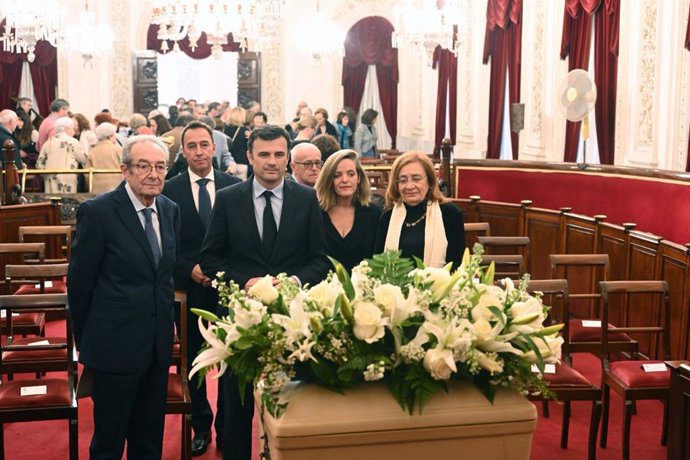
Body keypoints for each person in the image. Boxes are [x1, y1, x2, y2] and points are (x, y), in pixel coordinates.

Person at [200, 125, 329, 460]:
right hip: (241, 316)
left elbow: (319, 260)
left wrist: (293, 283)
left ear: (288, 158)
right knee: (237, 405)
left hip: (294, 316)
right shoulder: (229, 199)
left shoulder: (306, 198)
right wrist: (247, 283)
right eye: (264, 154)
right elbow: (210, 258)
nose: (272, 162)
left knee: (293, 400)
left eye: (279, 155)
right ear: (249, 157)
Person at [67, 135, 180, 459]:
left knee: (148, 441)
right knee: (109, 442)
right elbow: (80, 283)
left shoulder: (170, 210)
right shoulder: (98, 212)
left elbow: (163, 278)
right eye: (144, 166)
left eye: (160, 166)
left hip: (156, 347)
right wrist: (90, 341)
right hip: (113, 348)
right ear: (125, 170)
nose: (153, 174)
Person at [162, 121, 241, 456]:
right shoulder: (169, 189)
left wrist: (219, 272)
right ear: (183, 151)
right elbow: (165, 243)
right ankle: (200, 425)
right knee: (194, 361)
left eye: (204, 144)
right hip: (188, 290)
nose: (198, 151)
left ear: (214, 147)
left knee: (229, 361)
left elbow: (242, 240)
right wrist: (188, 270)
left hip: (227, 289)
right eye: (191, 146)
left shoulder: (235, 186)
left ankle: (227, 427)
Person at [375, 151, 466, 269]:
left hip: (439, 286)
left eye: (416, 179)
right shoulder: (387, 218)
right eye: (403, 180)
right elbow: (377, 264)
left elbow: (457, 265)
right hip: (394, 286)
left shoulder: (450, 214)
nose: (409, 186)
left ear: (430, 181)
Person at [315, 149, 382, 272]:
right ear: (329, 180)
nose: (345, 180)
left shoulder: (374, 213)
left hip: (363, 287)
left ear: (358, 178)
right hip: (322, 287)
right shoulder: (315, 213)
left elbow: (378, 258)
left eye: (351, 174)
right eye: (337, 175)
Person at [37, 117, 87, 193]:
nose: (74, 132)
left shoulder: (48, 142)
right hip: (68, 181)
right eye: (73, 129)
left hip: (50, 181)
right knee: (67, 202)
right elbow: (85, 159)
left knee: (52, 202)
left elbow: (39, 165)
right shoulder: (73, 142)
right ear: (66, 129)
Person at [86, 122, 123, 194]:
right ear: (111, 136)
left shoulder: (92, 152)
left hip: (97, 189)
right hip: (116, 187)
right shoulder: (118, 149)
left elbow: (87, 174)